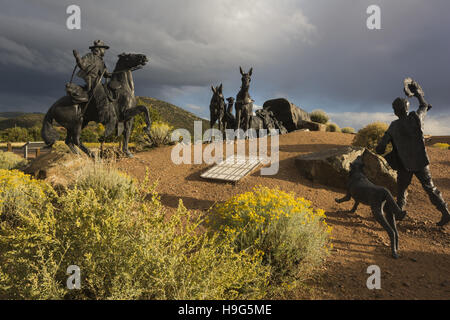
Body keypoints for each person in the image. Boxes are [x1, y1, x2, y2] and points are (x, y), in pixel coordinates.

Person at [376, 80, 450, 226]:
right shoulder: (416, 117)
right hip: (420, 161)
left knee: (402, 188)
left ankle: (399, 213)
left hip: (404, 164)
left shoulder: (393, 126)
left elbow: (381, 148)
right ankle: (445, 212)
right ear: (407, 108)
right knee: (430, 188)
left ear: (395, 111)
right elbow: (424, 105)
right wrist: (417, 93)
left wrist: (382, 147)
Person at [72, 40, 116, 134]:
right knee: (102, 95)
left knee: (108, 91)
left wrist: (116, 74)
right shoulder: (89, 56)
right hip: (92, 81)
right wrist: (77, 57)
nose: (105, 51)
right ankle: (103, 117)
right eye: (104, 49)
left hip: (98, 81)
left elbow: (106, 74)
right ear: (99, 49)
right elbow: (82, 65)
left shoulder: (101, 61)